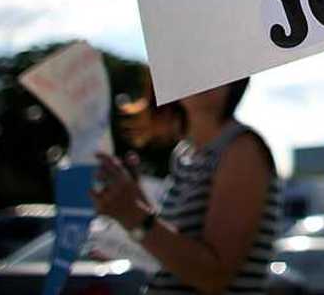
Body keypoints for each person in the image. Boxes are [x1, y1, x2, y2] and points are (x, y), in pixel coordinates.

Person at [92, 75, 282, 295]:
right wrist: (132, 202)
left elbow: (214, 276)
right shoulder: (185, 154)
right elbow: (173, 249)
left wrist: (133, 214)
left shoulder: (241, 149)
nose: (202, 72)